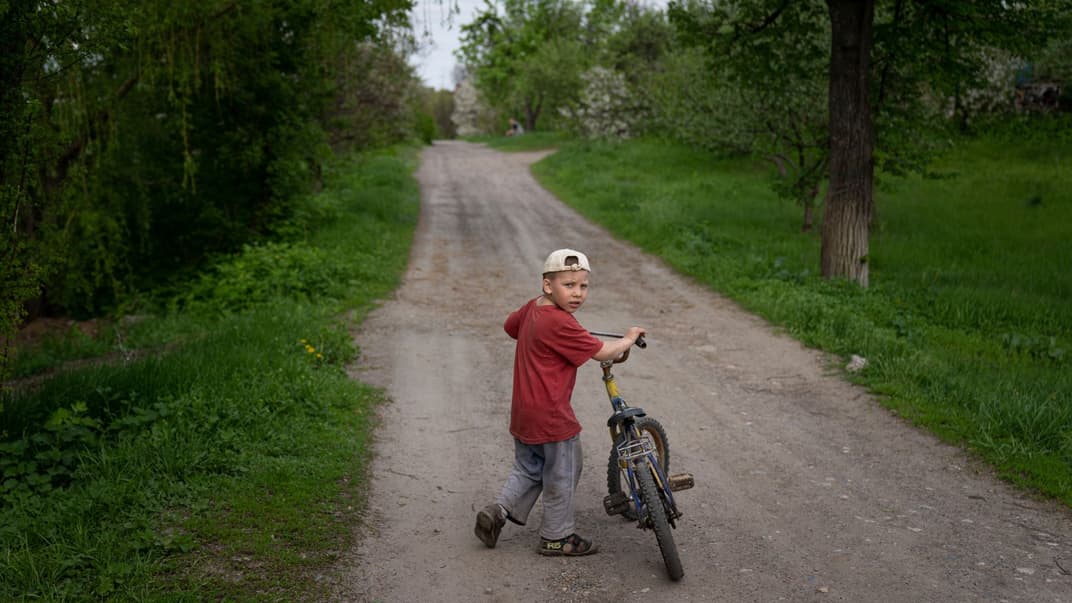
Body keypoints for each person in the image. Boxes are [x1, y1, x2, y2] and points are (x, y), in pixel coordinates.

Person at [474, 249, 645, 556]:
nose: (577, 293)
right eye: (569, 285)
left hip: (523, 414)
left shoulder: (533, 308)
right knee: (563, 471)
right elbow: (604, 352)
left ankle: (498, 511)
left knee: (529, 467)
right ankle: (557, 536)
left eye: (583, 286)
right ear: (548, 286)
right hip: (552, 417)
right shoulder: (560, 323)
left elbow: (510, 326)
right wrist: (629, 338)